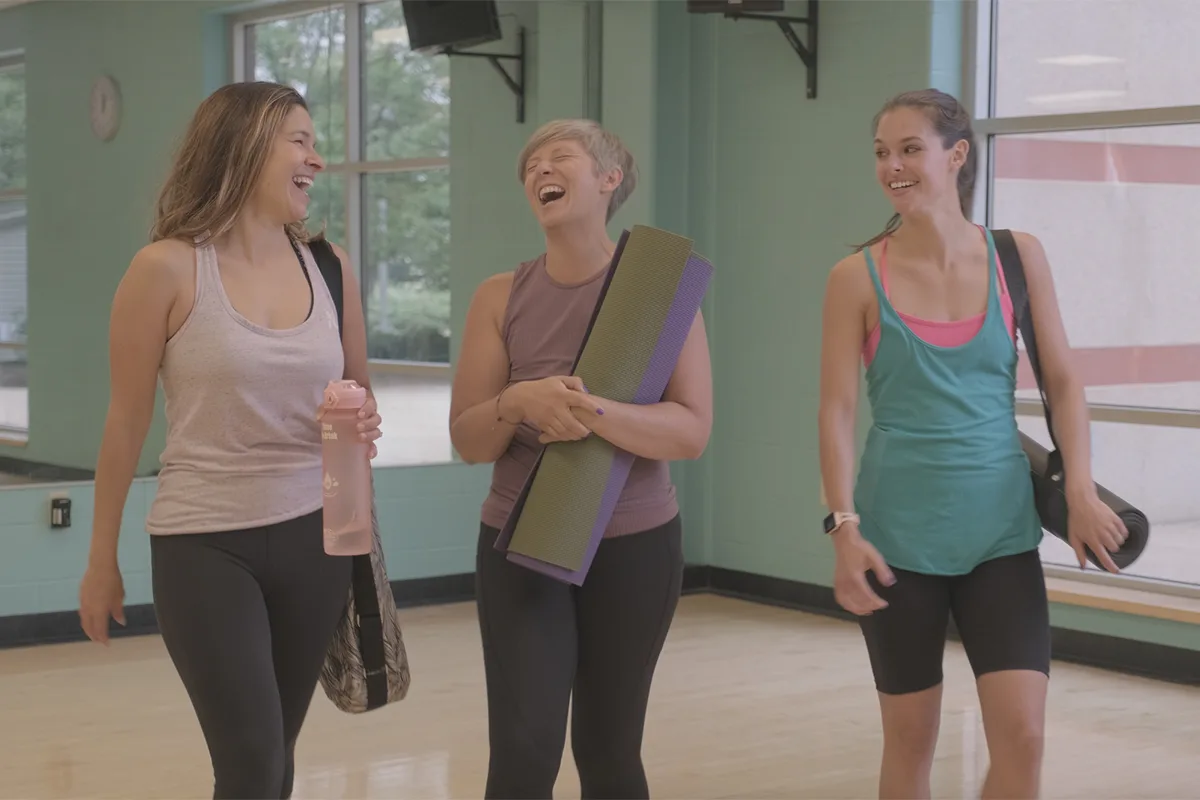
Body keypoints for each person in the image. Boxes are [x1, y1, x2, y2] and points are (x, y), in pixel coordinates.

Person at [817, 88, 1128, 800]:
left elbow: (1065, 381)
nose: (892, 165)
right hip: (896, 542)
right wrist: (843, 527)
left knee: (1024, 739)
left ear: (955, 156)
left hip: (1000, 537)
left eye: (909, 149)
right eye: (881, 152)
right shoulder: (853, 277)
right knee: (912, 740)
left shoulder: (1017, 256)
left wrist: (1078, 488)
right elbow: (835, 412)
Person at [76, 81, 382, 800]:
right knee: (248, 759)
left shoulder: (331, 268)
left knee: (276, 757)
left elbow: (360, 399)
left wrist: (362, 423)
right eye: (300, 140)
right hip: (205, 543)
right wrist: (99, 562)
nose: (318, 156)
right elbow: (124, 423)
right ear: (243, 146)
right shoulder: (166, 269)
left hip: (319, 539)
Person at [449, 118, 713, 799]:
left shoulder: (658, 289)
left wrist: (587, 410)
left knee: (609, 748)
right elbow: (470, 439)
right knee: (524, 748)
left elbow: (690, 432)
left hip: (637, 546)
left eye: (558, 156)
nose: (541, 169)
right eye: (531, 164)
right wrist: (518, 402)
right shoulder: (498, 297)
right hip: (521, 541)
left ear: (608, 179)